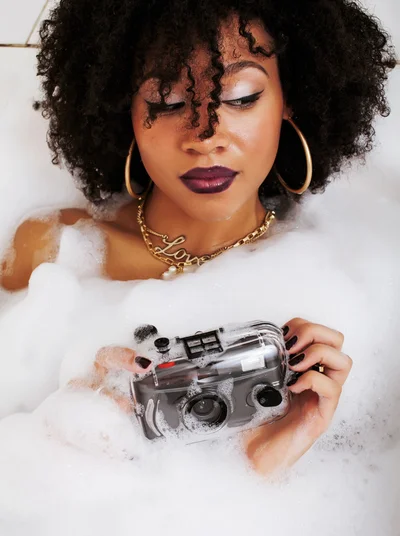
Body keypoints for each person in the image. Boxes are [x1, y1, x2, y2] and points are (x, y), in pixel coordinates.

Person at [0, 0, 396, 476]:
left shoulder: (356, 278)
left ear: (290, 96)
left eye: (242, 96)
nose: (206, 137)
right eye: (167, 101)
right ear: (121, 106)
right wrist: (68, 426)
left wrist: (265, 462)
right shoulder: (52, 252)